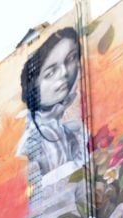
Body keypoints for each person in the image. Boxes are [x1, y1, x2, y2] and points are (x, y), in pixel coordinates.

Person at [18, 26, 85, 178]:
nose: (64, 73)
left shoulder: (67, 130)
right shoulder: (34, 140)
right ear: (33, 90)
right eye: (50, 72)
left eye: (70, 59)